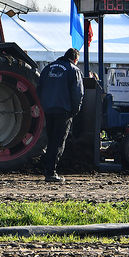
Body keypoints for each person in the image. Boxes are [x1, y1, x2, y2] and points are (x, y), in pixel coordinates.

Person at [36, 48, 84, 183]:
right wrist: (74, 111)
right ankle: (51, 173)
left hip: (49, 109)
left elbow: (39, 88)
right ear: (75, 59)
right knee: (58, 142)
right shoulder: (73, 70)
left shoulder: (47, 68)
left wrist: (44, 104)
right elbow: (78, 93)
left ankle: (47, 169)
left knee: (50, 140)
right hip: (63, 111)